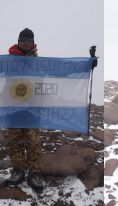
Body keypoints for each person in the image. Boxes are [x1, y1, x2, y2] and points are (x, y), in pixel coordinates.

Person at [5, 28, 44, 193]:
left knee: (34, 141)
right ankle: (17, 170)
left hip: (32, 107)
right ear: (18, 41)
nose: (25, 43)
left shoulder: (40, 61)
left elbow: (60, 71)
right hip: (12, 105)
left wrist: (87, 64)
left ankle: (34, 173)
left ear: (33, 43)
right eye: (23, 40)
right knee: (14, 141)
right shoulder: (7, 60)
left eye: (28, 40)